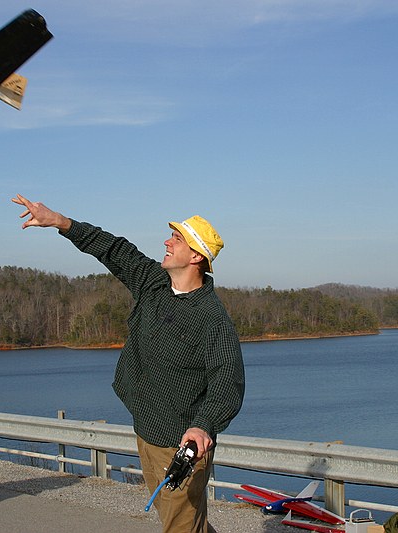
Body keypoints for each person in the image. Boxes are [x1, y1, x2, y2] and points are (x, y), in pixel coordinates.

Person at [13, 194, 245, 533]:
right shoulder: (153, 283)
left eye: (177, 239)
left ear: (196, 256)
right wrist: (60, 222)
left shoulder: (212, 319)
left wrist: (203, 426)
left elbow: (228, 384)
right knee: (180, 522)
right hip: (146, 430)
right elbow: (114, 249)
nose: (167, 240)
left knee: (181, 527)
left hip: (181, 445)